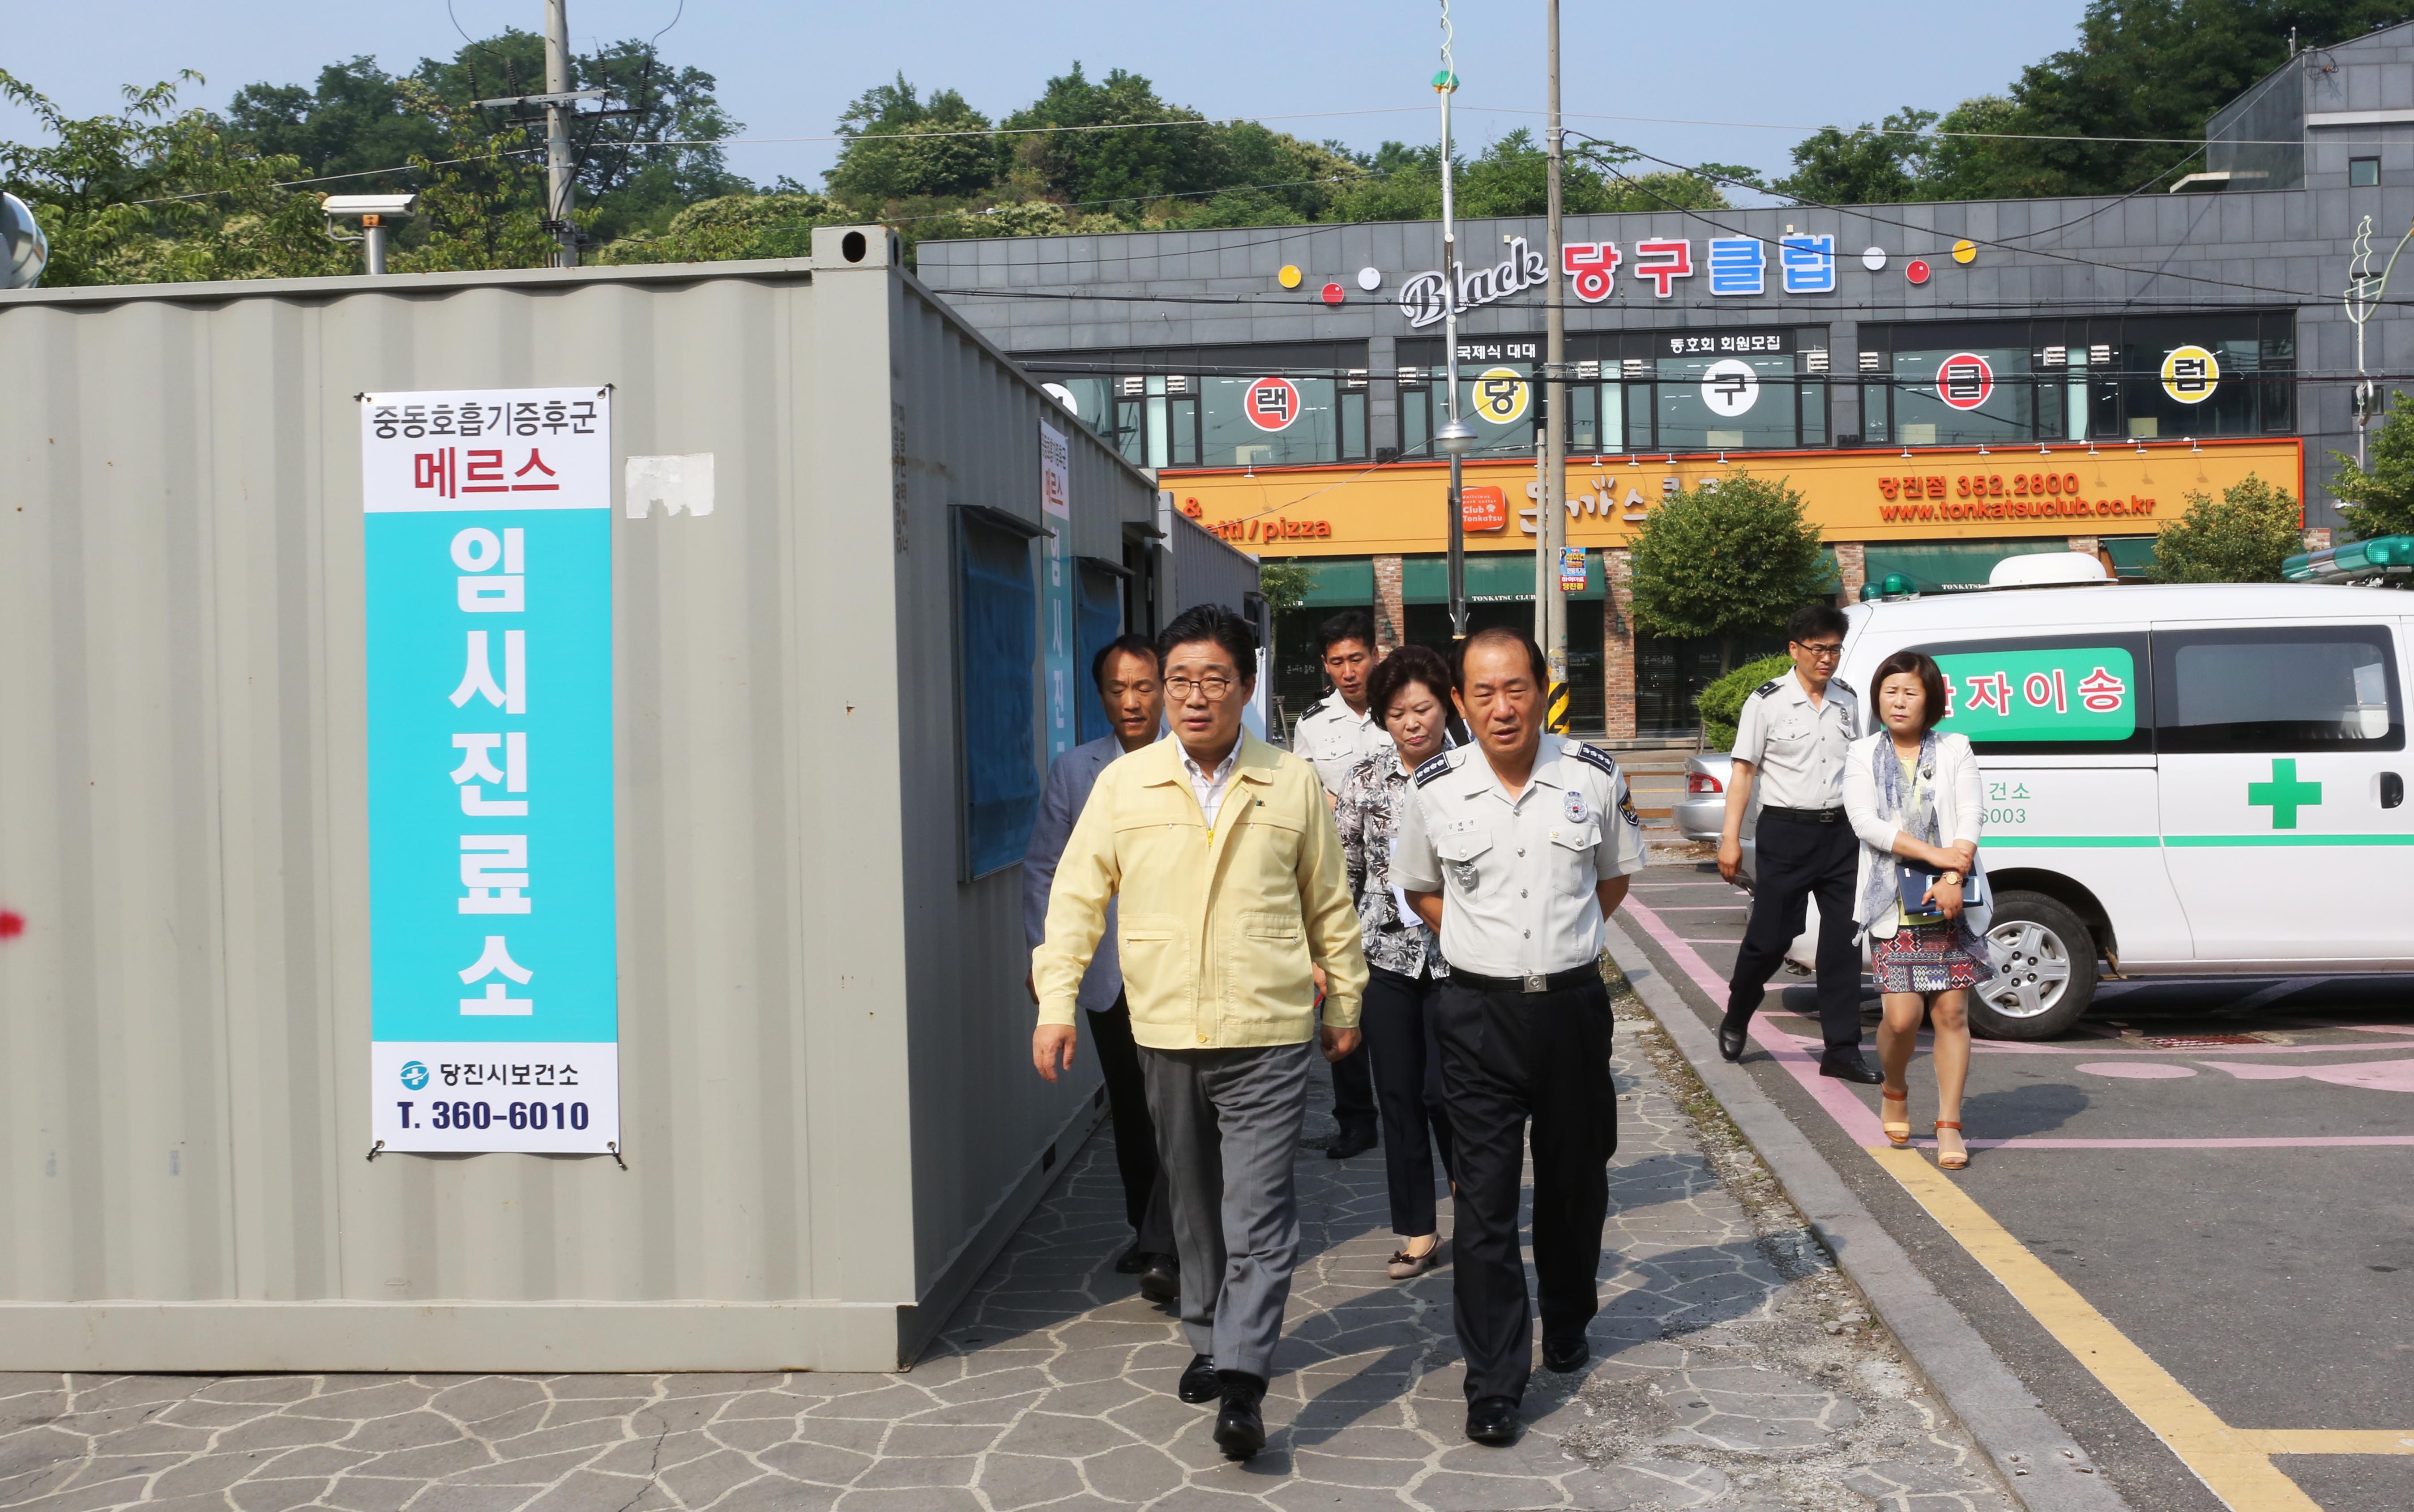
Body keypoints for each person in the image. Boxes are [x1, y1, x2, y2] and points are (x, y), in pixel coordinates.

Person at [1031, 603, 1368, 1462]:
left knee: (1259, 1208)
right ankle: (1209, 1336)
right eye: (1177, 679)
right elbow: (1074, 896)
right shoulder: (1124, 783)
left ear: (1244, 688)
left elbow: (1330, 904)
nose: (1191, 695)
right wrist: (1056, 1001)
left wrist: (1344, 1005)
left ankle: (1244, 1379)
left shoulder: (1289, 781)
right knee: (1192, 1207)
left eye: (1212, 678)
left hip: (1268, 1025)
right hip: (1167, 1025)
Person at [1396, 628, 1645, 1448]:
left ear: (1544, 688)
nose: (1502, 707)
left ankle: (1568, 1319)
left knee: (1575, 1187)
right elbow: (1425, 889)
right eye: (1484, 694)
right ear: (1460, 703)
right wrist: (1492, 952)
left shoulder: (1592, 776)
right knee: (1486, 1204)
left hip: (1570, 1010)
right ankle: (1494, 1379)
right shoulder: (1431, 787)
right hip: (1475, 1017)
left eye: (1517, 688)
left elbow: (1610, 880)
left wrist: (1554, 951)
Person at [1023, 633, 1178, 1301]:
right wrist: (1048, 958)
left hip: (1176, 970)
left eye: (1143, 686)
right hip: (1108, 974)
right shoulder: (1074, 769)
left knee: (1179, 1107)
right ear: (1101, 697)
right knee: (1132, 1107)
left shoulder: (1190, 760)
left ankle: (1176, 1240)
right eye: (1117, 689)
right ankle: (1149, 1232)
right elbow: (1045, 870)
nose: (1131, 701)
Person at [1331, 645, 1458, 1282]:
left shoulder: (1472, 772)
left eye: (1424, 708)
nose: (1413, 722)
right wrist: (1335, 961)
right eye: (1398, 712)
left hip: (1460, 962)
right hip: (1384, 959)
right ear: (1382, 717)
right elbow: (1344, 875)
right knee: (1399, 1095)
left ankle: (1474, 1199)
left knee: (1449, 1092)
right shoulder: (1363, 779)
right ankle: (1417, 1229)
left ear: (1445, 706)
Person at [1715, 604, 1882, 1084]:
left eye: (1834, 649)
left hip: (1841, 835)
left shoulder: (1848, 700)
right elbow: (1743, 773)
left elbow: (1861, 768)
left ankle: (1842, 1050)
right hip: (1785, 834)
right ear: (1794, 649)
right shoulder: (1765, 702)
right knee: (1770, 939)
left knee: (1842, 946)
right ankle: (1737, 1010)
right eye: (1817, 649)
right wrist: (1730, 840)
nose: (1827, 658)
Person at [1843, 651, 1991, 1172]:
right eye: (1889, 691)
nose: (1898, 701)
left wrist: (1954, 875)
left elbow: (1971, 812)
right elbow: (1865, 822)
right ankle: (1895, 1086)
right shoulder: (1862, 753)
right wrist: (1935, 857)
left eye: (1908, 692)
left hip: (1949, 900)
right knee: (1901, 1018)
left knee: (1950, 1013)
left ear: (1930, 698)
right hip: (1891, 902)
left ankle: (1949, 1123)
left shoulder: (1954, 748)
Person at [1290, 609, 1388, 1159]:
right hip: (1339, 881)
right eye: (1336, 663)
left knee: (1399, 994)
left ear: (1373, 654)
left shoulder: (1403, 707)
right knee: (1340, 993)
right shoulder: (1312, 723)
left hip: (1400, 882)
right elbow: (1304, 797)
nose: (1348, 672)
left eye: (1356, 658)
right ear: (1325, 667)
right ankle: (1354, 1119)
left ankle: (1410, 1106)